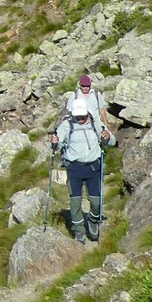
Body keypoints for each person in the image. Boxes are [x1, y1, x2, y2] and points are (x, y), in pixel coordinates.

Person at [54, 74, 117, 243]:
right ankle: (79, 231)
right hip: (74, 168)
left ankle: (94, 221)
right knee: (75, 203)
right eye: (78, 116)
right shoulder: (67, 124)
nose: (80, 119)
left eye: (83, 116)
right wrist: (55, 143)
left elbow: (112, 141)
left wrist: (106, 136)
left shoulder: (96, 124)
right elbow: (57, 143)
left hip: (93, 168)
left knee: (96, 202)